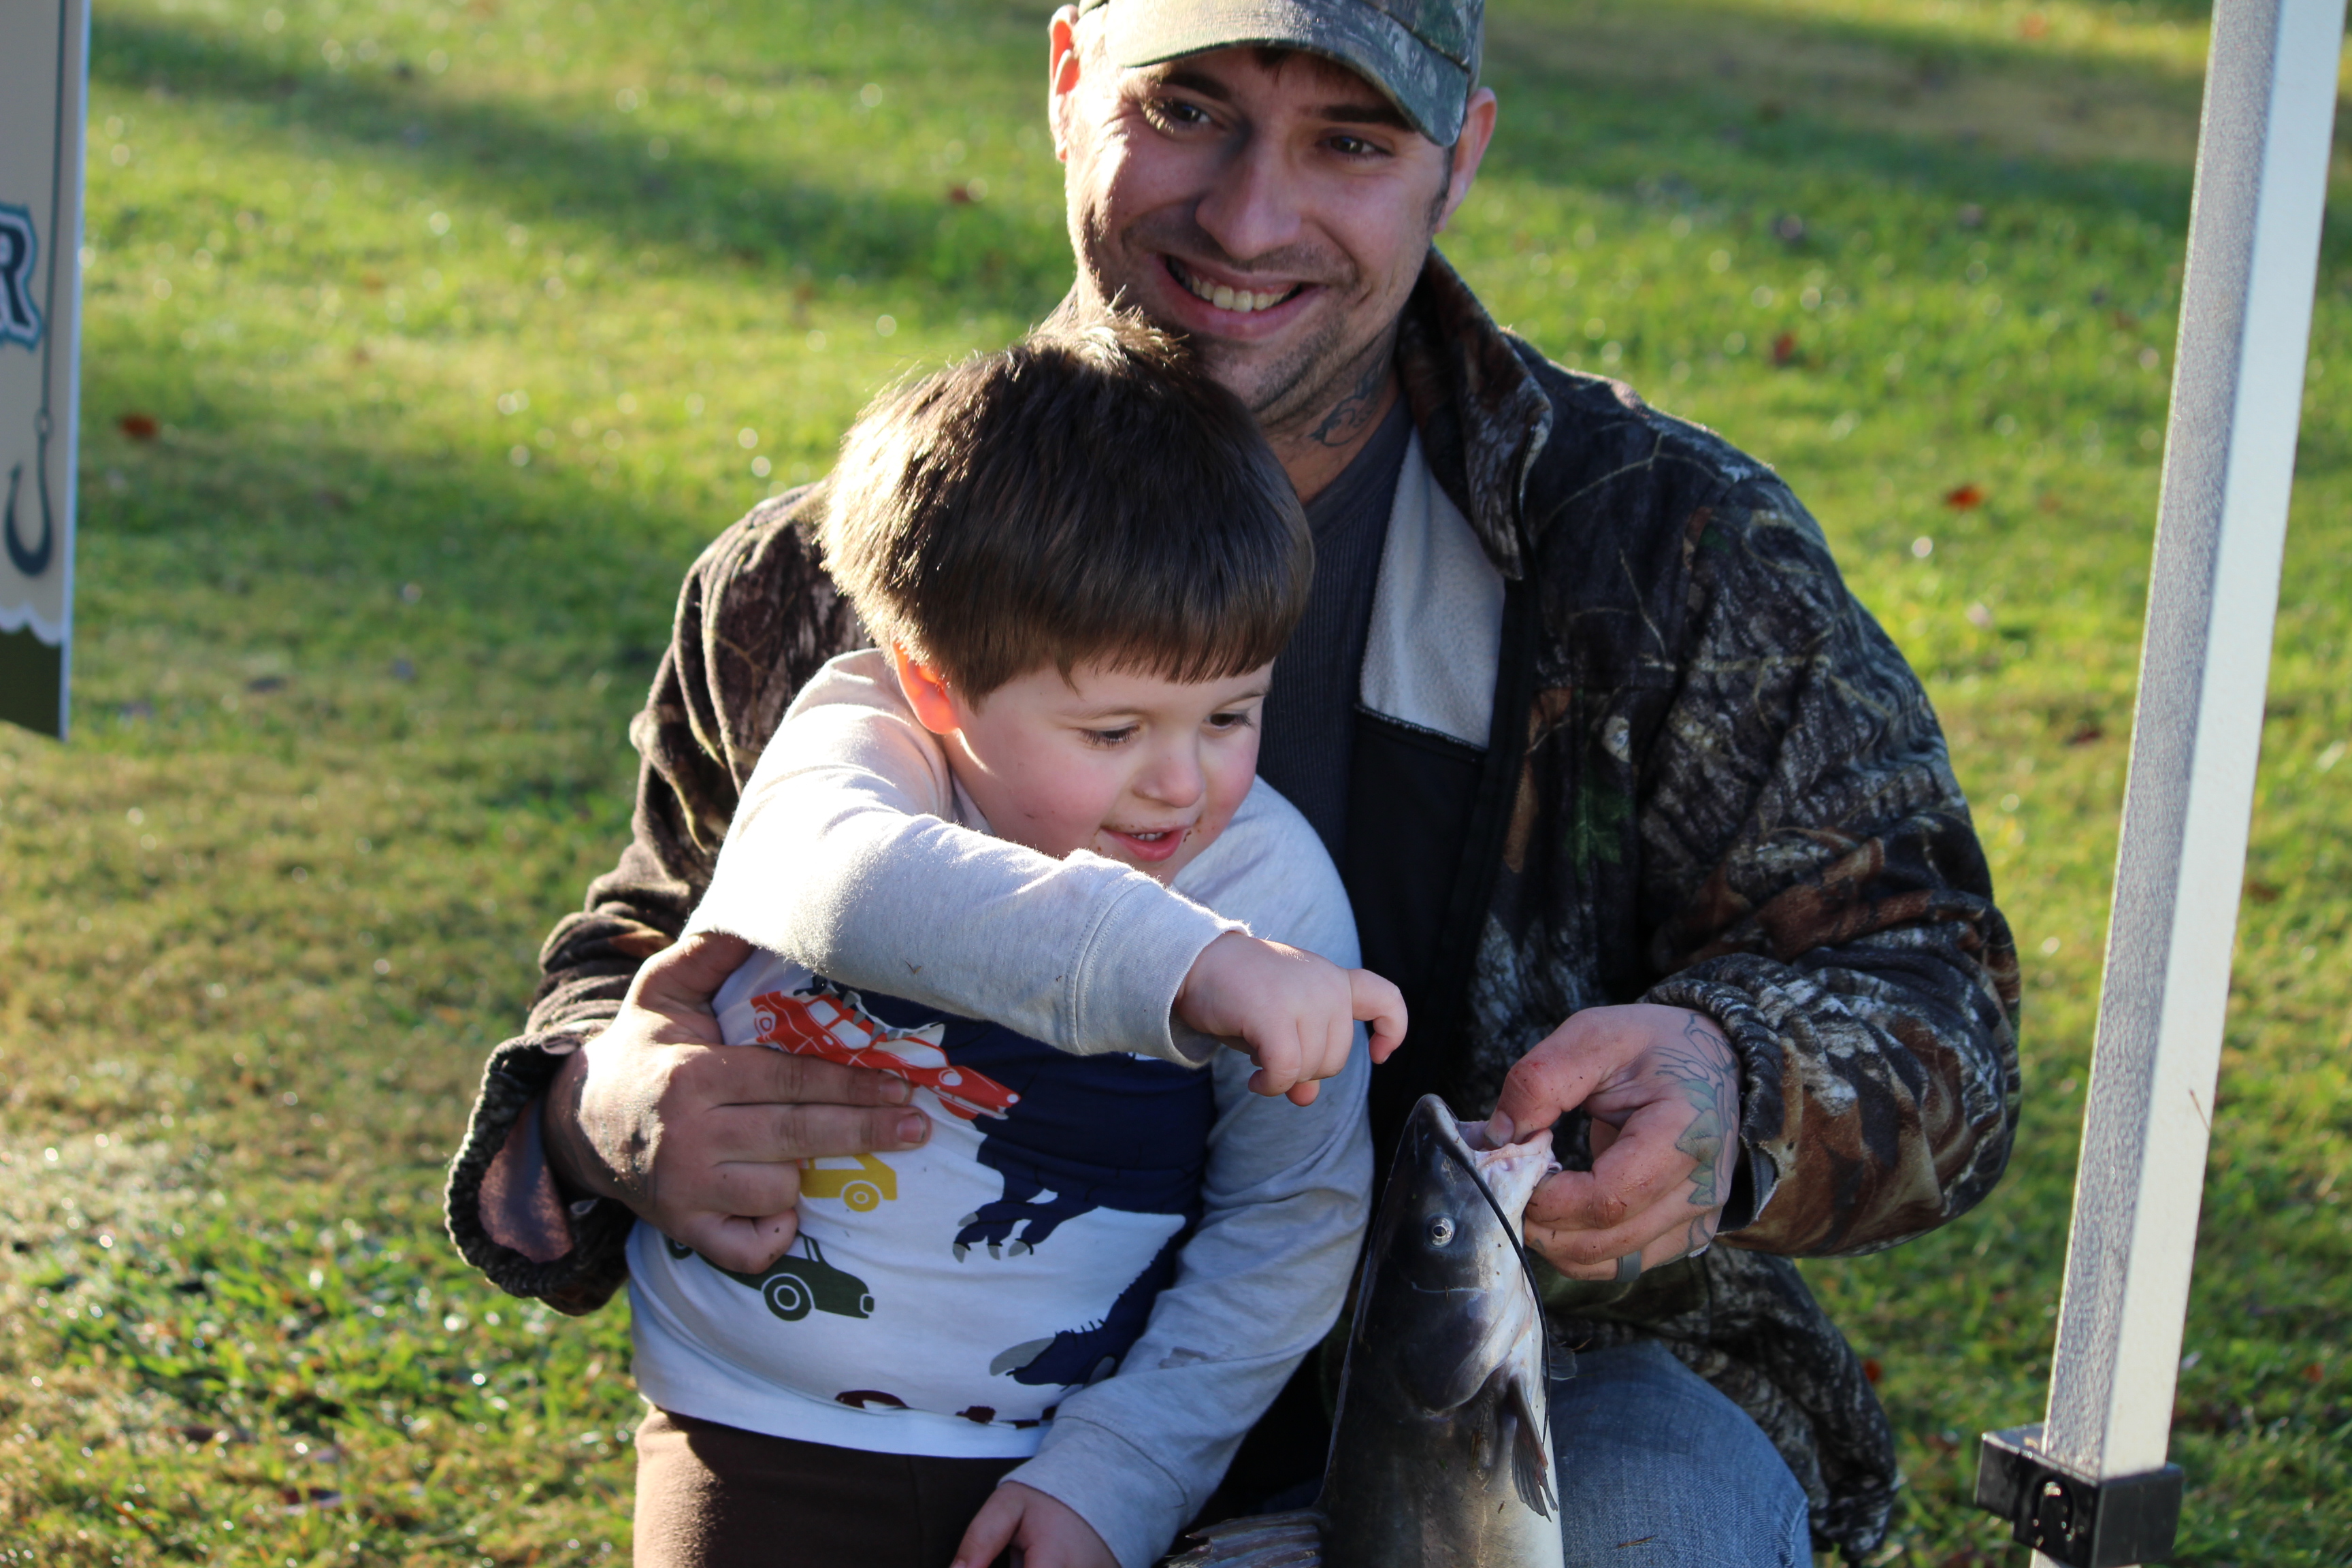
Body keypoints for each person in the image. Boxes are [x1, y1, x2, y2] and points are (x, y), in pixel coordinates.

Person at [447, 0, 2023, 1560]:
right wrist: (603, 1108)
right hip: (952, 1425)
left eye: (1350, 139)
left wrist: (1733, 1081)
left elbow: (1937, 987)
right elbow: (650, 944)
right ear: (1070, 80)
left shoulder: (1658, 551)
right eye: (1188, 108)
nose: (1251, 216)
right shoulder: (826, 570)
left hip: (1548, 1371)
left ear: (1458, 157)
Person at [620, 316, 1405, 1568]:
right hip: (752, 1429)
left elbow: (1293, 1215)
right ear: (937, 688)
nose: (1182, 785)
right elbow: (846, 888)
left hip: (1060, 1458)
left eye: (1232, 713)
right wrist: (1185, 966)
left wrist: (1127, 1469)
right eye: (1113, 731)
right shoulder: (862, 742)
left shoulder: (1271, 890)